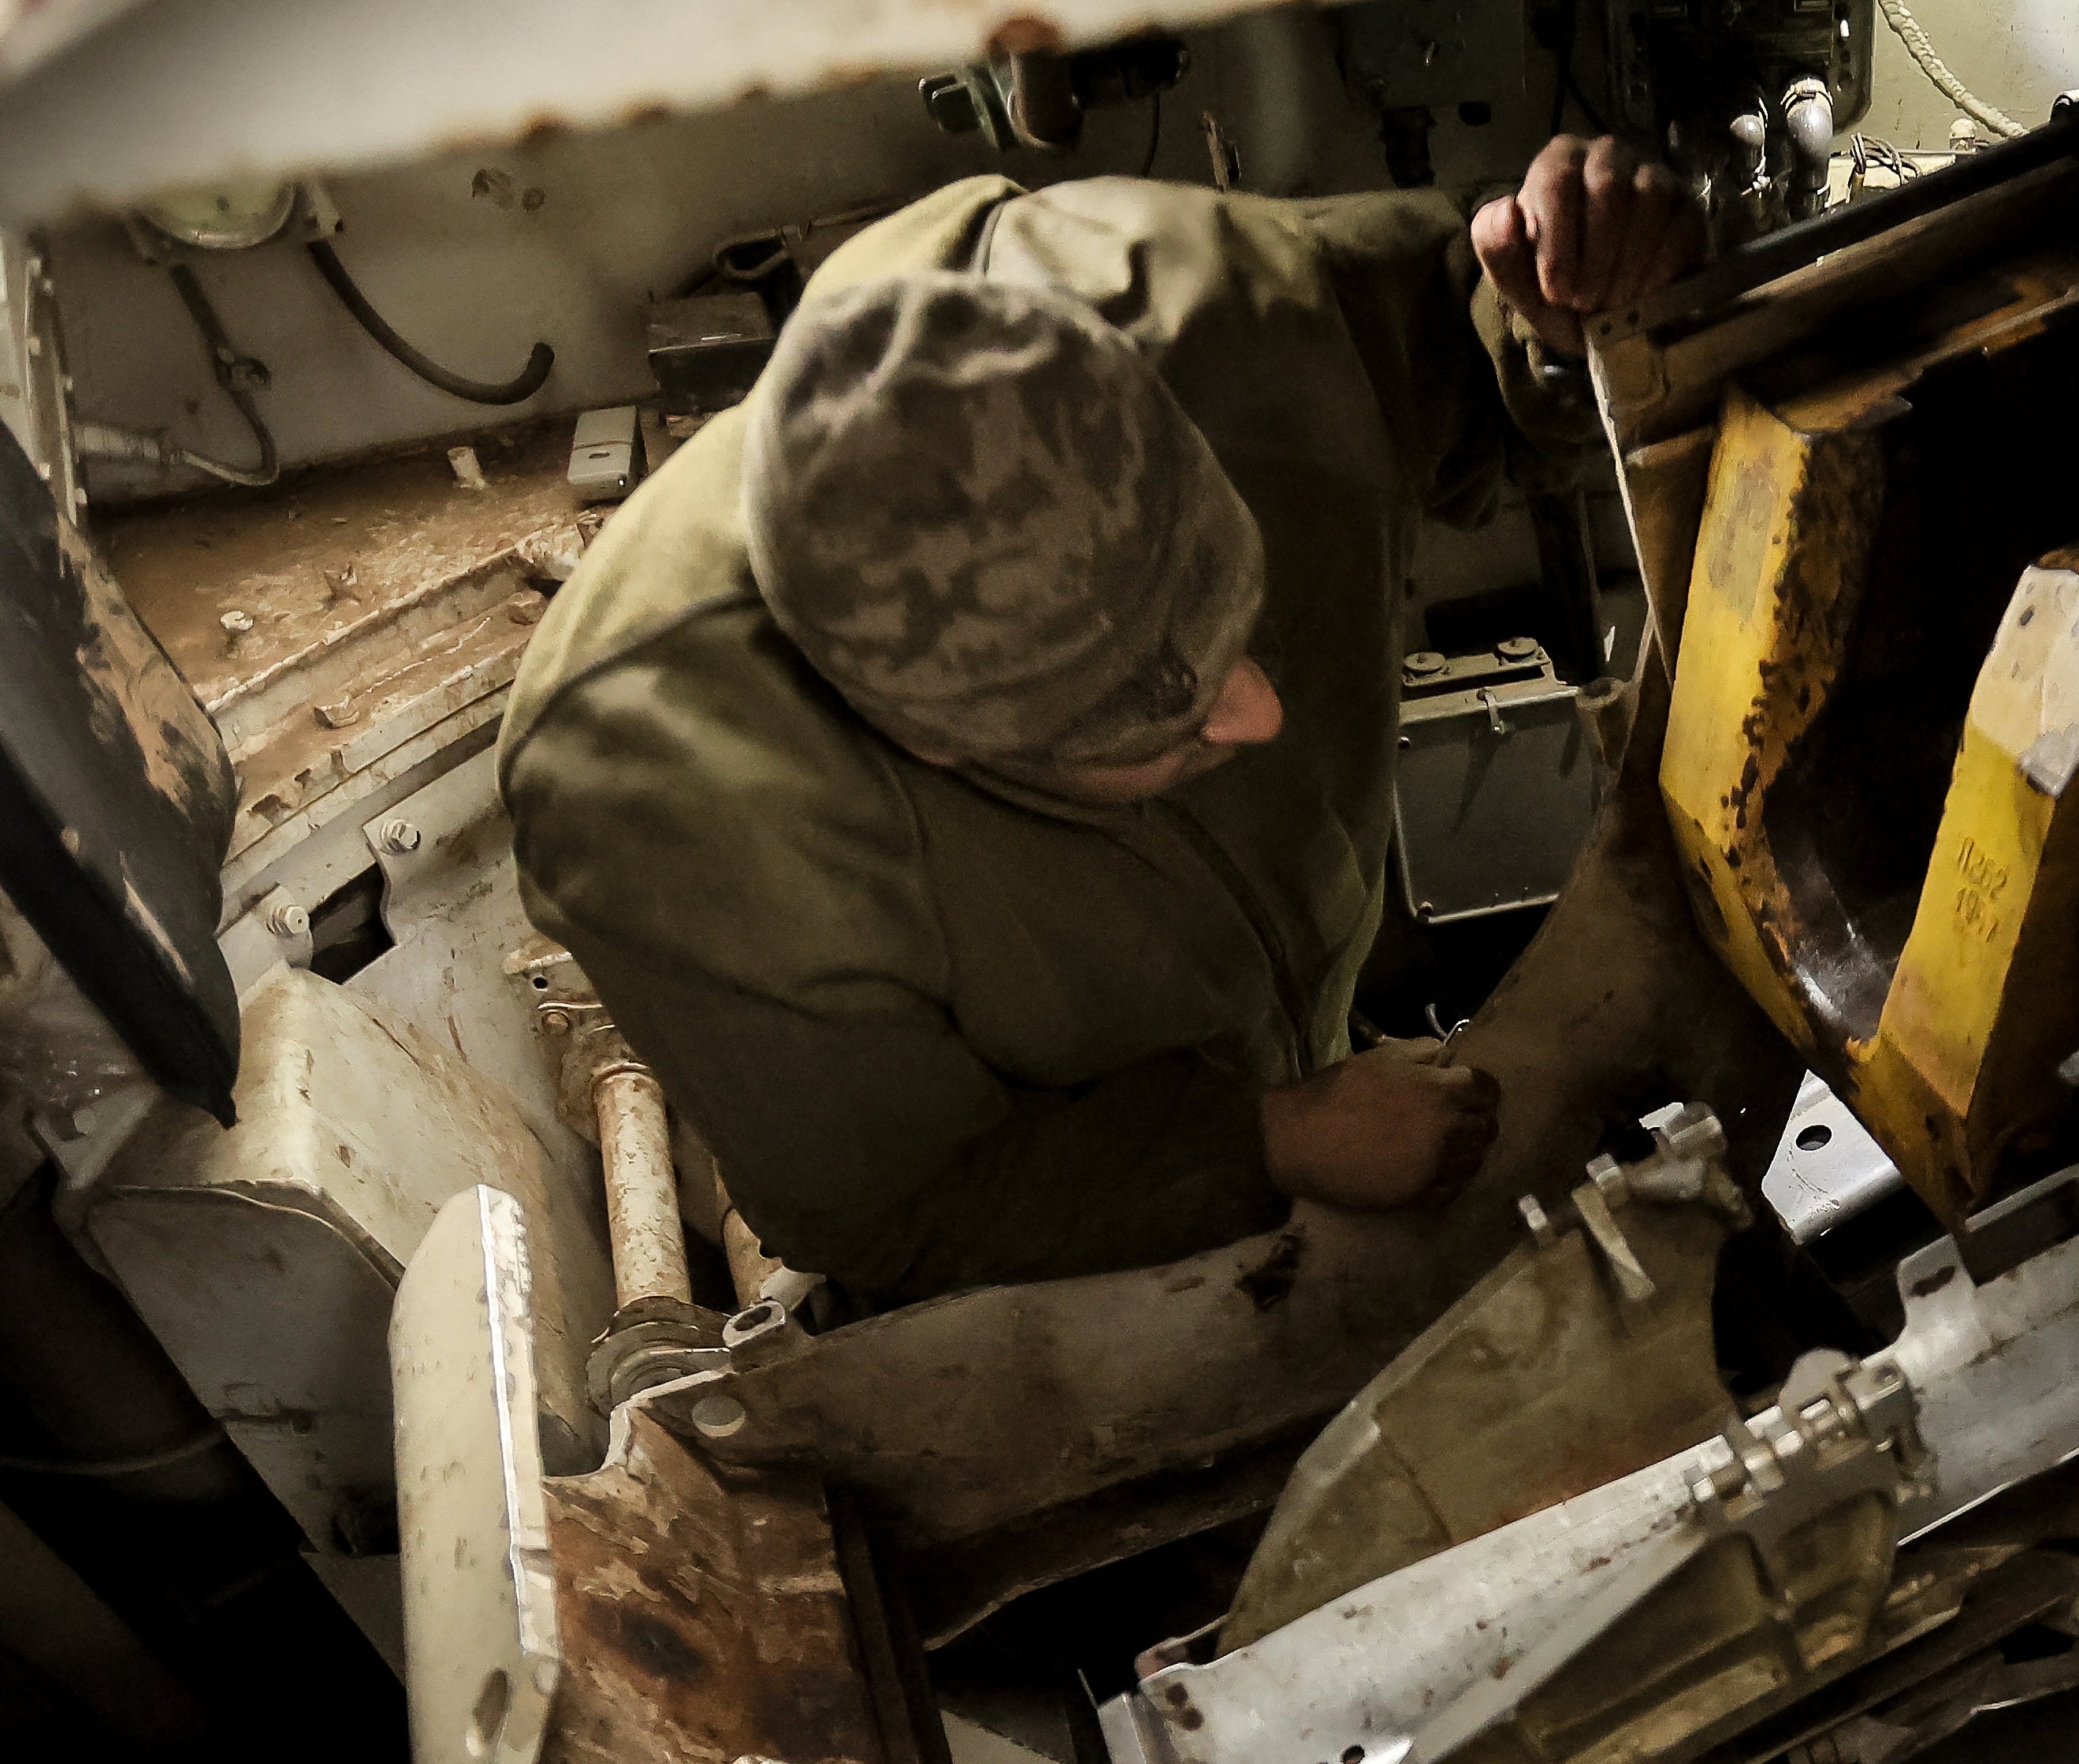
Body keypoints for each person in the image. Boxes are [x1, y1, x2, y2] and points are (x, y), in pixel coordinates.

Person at [501, 140, 1703, 1306]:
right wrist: (1267, 1141)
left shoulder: (1215, 306)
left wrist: (1559, 322)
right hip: (1101, 1218)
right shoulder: (650, 803)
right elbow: (896, 1208)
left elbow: (1477, 342)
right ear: (936, 742)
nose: (1262, 712)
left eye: (1238, 617)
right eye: (1154, 724)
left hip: (1322, 1031)